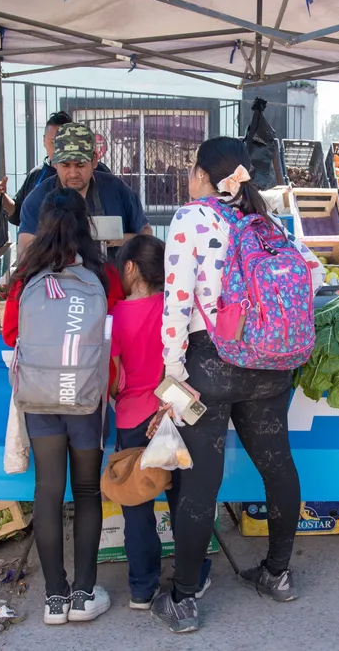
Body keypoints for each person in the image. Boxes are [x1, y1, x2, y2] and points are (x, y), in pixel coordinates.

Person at [150, 137, 325, 634]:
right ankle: (278, 573)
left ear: (204, 175)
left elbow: (177, 300)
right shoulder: (266, 220)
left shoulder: (191, 218)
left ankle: (184, 599)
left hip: (212, 363)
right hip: (270, 363)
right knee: (278, 466)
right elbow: (311, 275)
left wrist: (172, 368)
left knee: (201, 482)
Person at [1, 186, 124, 626]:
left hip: (39, 398)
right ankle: (84, 595)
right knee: (87, 492)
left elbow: (10, 337)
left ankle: (55, 598)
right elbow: (117, 331)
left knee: (48, 493)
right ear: (85, 222)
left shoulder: (25, 277)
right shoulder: (103, 274)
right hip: (86, 397)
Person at [108, 234, 211, 611]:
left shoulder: (116, 315)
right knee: (184, 501)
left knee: (137, 505)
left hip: (134, 418)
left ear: (131, 268)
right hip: (177, 413)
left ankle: (141, 588)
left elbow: (114, 375)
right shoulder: (176, 308)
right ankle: (194, 577)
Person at [16, 123, 151, 261]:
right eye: (65, 165)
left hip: (110, 279)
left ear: (94, 160)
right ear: (55, 163)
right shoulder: (37, 199)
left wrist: (116, 240)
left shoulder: (118, 190)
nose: (73, 173)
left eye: (80, 165)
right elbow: (24, 254)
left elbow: (147, 236)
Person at [0, 111, 111, 225]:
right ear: (44, 140)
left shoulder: (99, 172)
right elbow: (19, 215)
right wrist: (3, 198)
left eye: (64, 143)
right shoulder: (37, 175)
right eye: (54, 143)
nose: (72, 173)